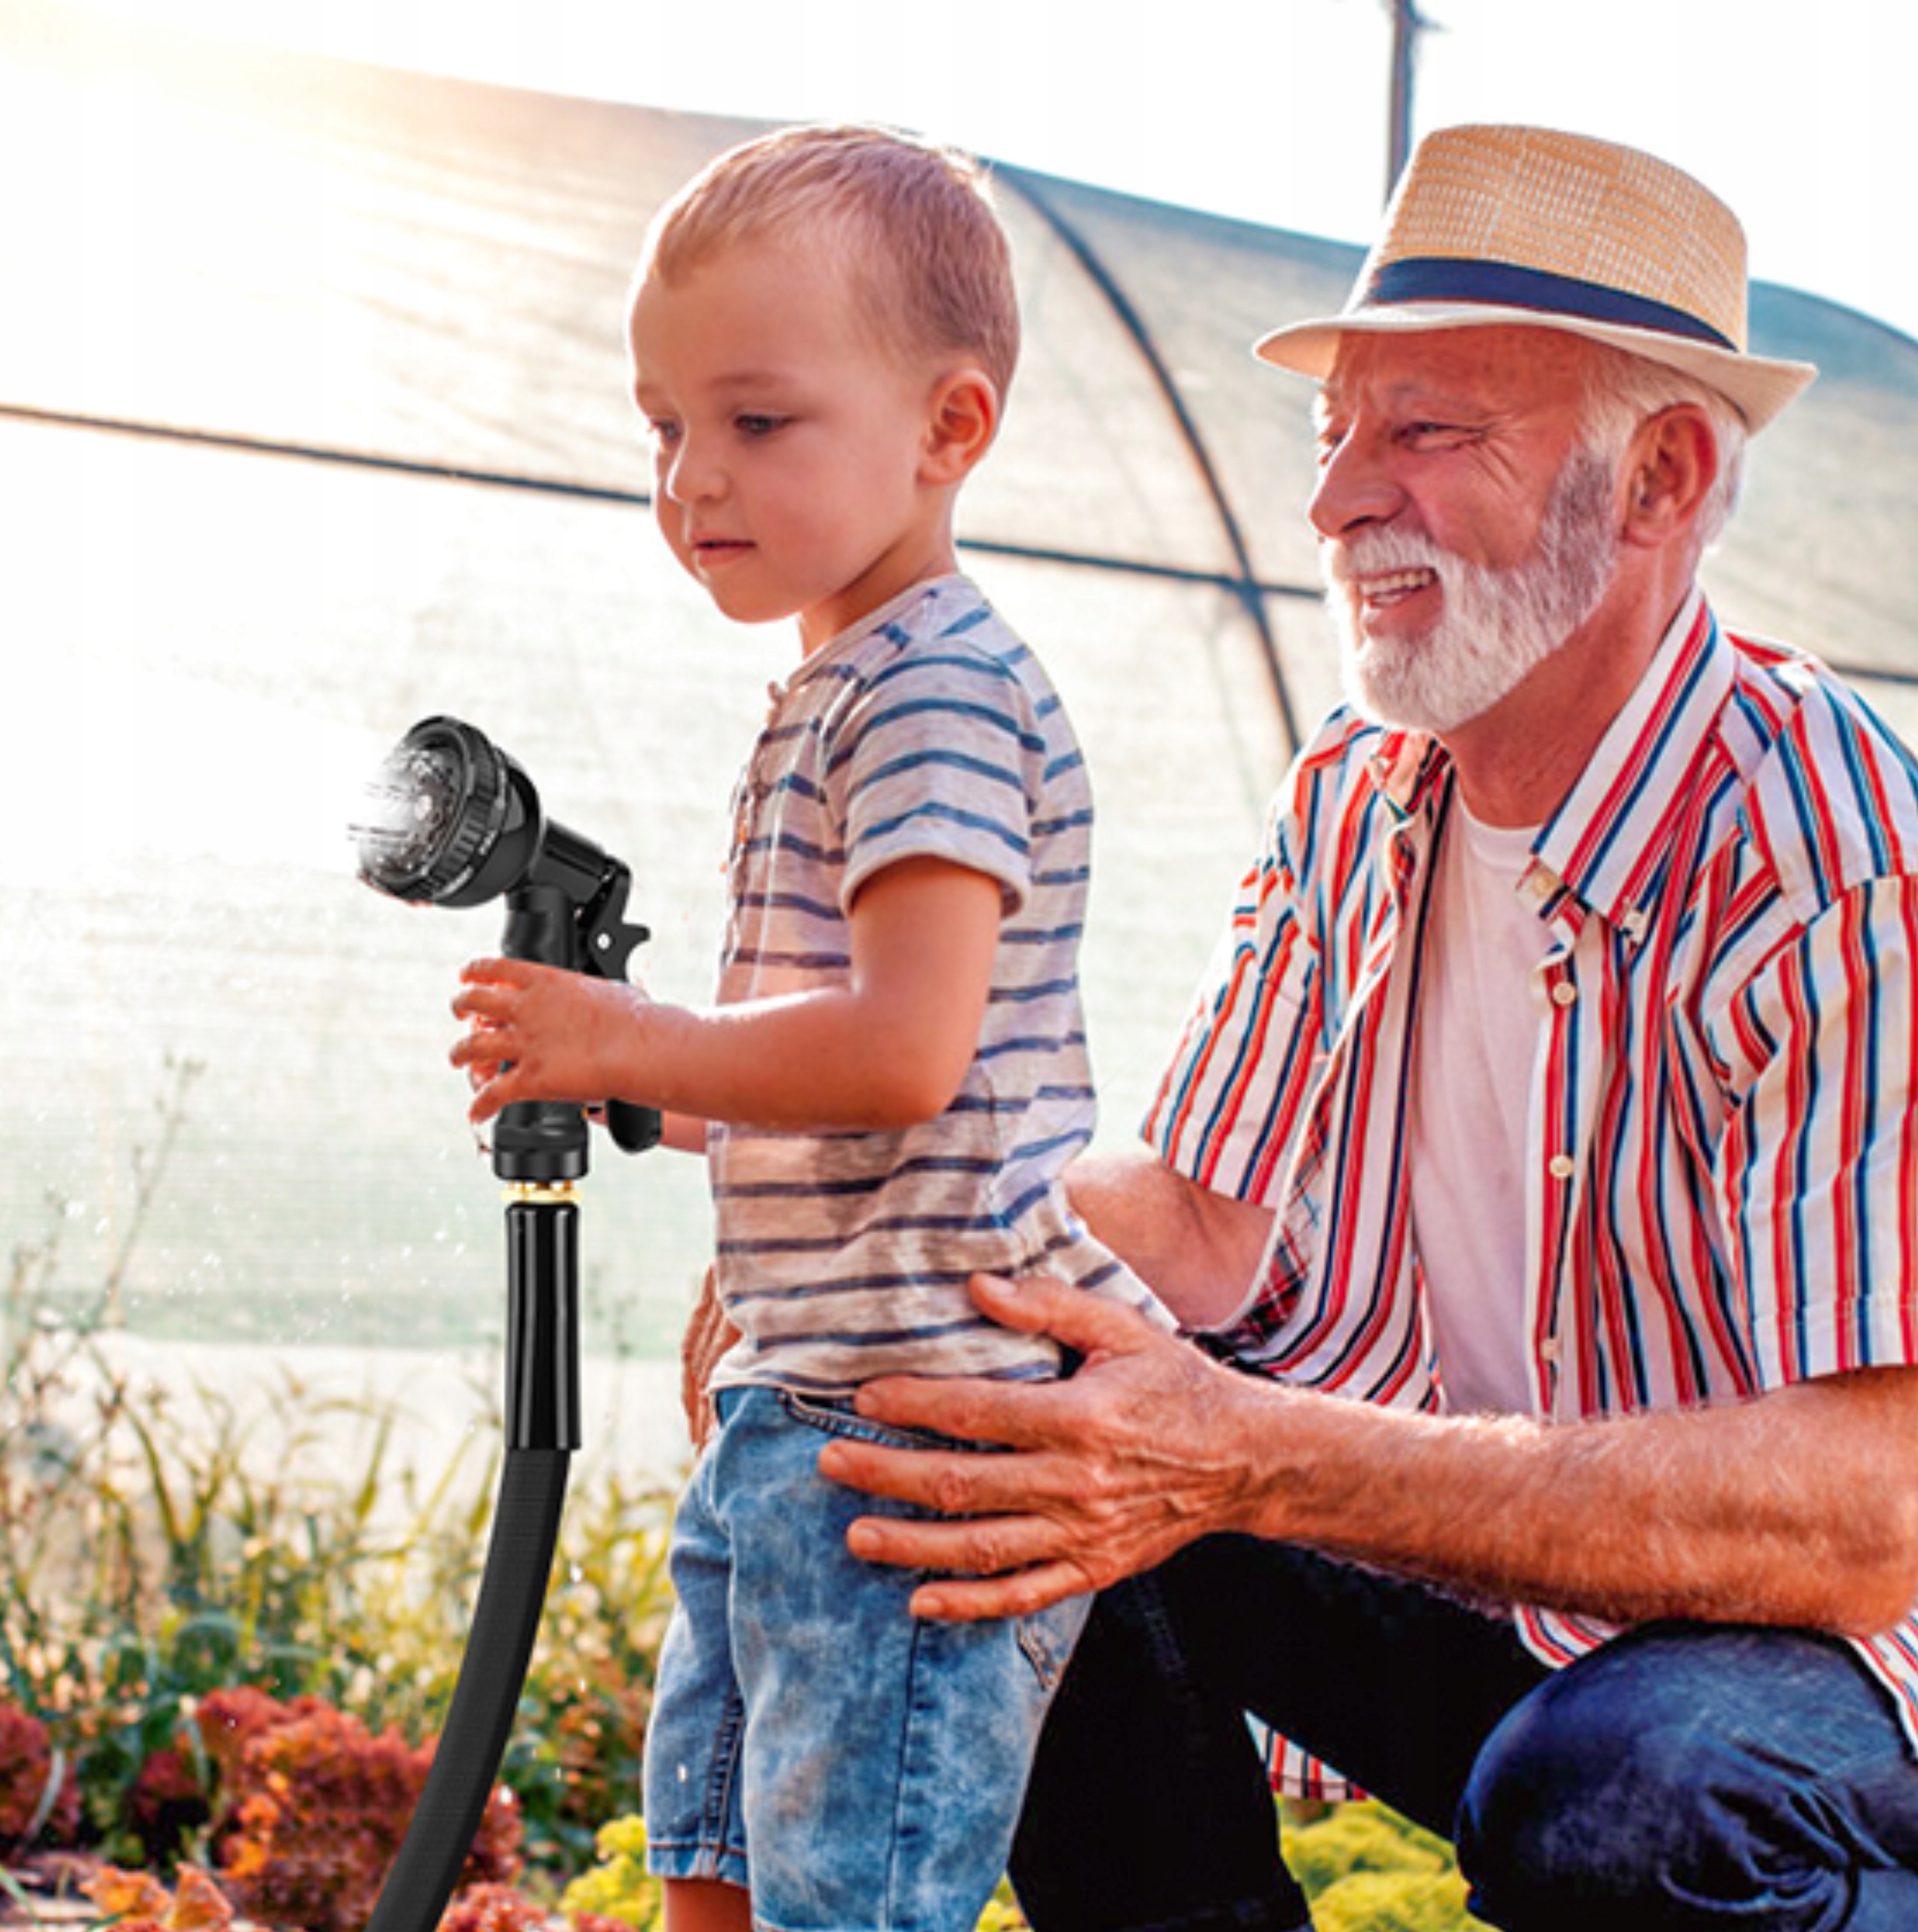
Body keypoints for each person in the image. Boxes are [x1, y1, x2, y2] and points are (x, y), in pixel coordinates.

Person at [810, 125, 1918, 1930]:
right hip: (1492, 1590)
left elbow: (1863, 1518)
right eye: (1331, 436)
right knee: (983, 1416)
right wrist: (881, 1232)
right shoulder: (1358, 790)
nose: (1332, 502)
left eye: (1423, 432)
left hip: (1819, 1672)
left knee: (1629, 1791)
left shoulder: (1833, 854)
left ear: (1659, 472)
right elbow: (1194, 1210)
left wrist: (1248, 1447)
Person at [448, 123, 1166, 1932]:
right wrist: (640, 1085)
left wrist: (643, 1039)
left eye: (757, 421)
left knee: (834, 1897)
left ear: (948, 429)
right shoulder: (841, 685)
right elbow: (855, 1086)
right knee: (712, 1852)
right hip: (801, 1406)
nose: (693, 473)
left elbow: (902, 1049)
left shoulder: (929, 687)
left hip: (909, 1433)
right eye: (663, 425)